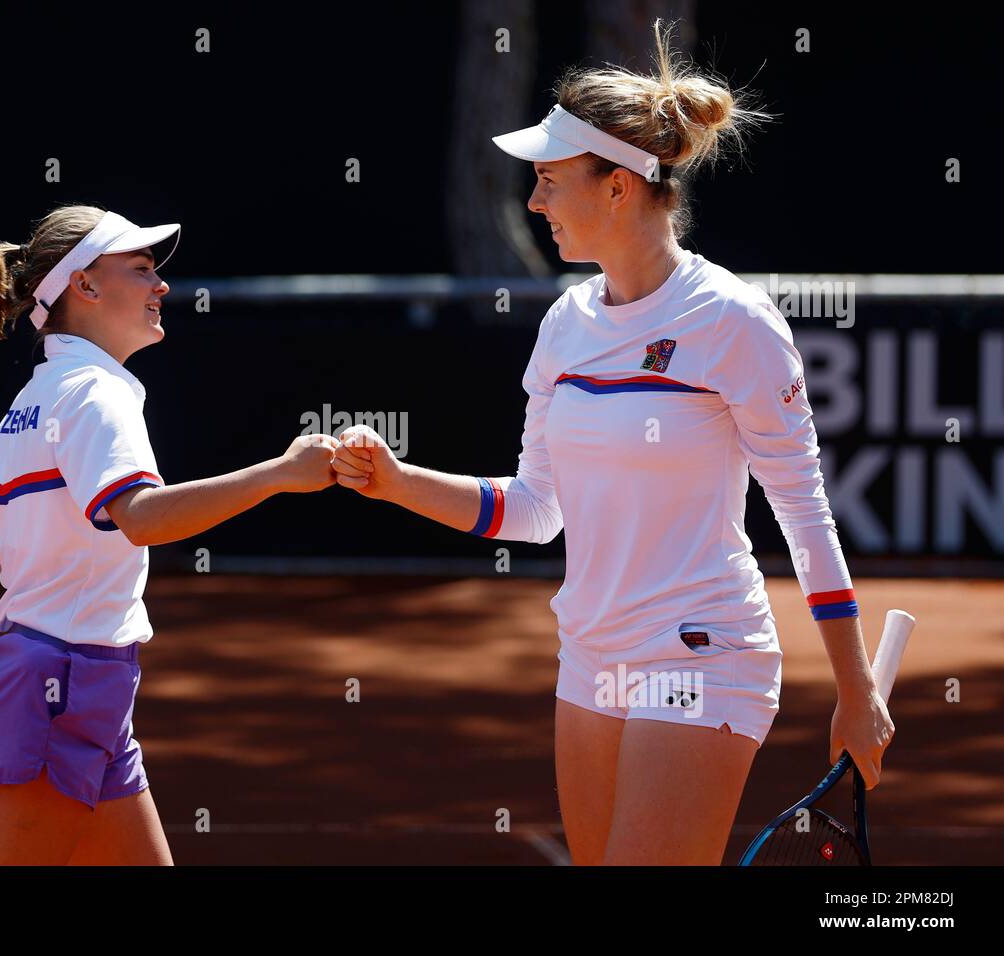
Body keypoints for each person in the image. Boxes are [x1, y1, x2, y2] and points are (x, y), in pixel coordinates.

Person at [332, 20, 893, 865]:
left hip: (700, 655)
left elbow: (804, 513)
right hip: (590, 656)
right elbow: (533, 509)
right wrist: (396, 481)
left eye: (550, 182)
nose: (533, 202)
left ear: (618, 189)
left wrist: (855, 690)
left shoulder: (734, 323)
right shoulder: (564, 324)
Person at [0, 205, 338, 864]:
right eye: (142, 268)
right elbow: (141, 517)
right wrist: (279, 474)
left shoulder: (30, 405)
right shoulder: (98, 395)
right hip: (59, 694)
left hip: (83, 693)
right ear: (85, 287)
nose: (162, 286)